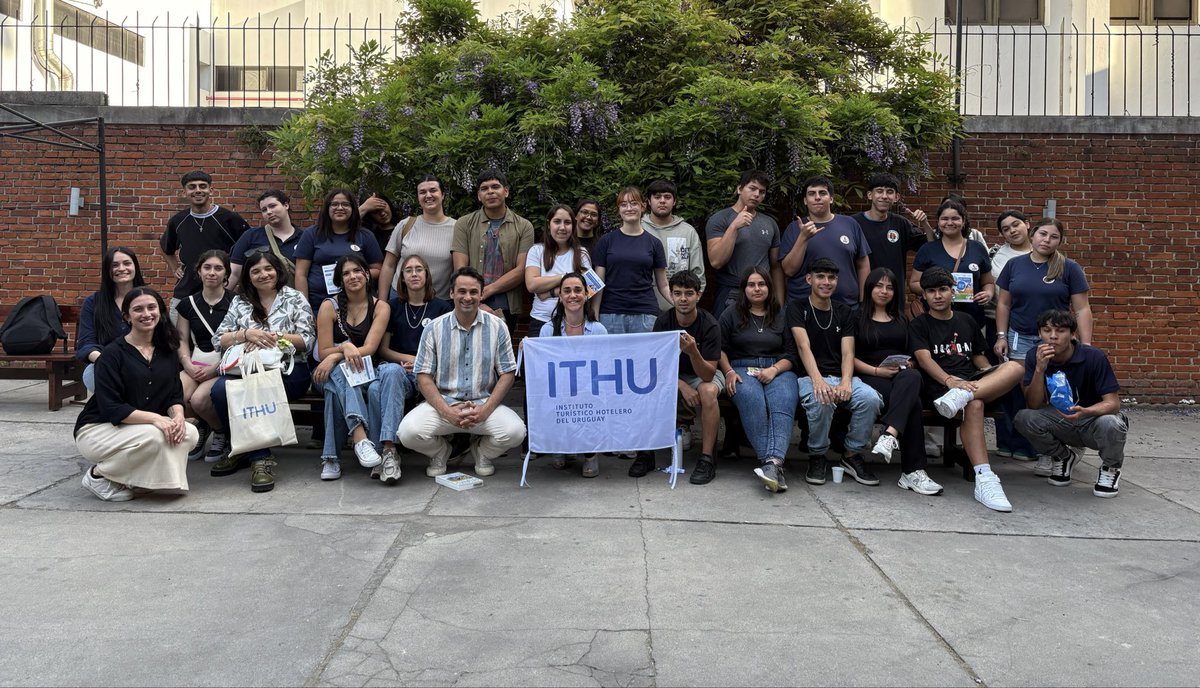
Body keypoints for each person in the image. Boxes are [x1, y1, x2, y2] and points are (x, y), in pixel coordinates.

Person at [910, 268, 1025, 512]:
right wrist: (950, 381)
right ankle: (985, 477)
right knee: (975, 404)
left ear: (953, 291)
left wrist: (990, 374)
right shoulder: (920, 324)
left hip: (971, 382)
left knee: (1014, 368)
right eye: (931, 291)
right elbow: (924, 360)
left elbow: (977, 357)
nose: (938, 296)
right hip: (940, 387)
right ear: (925, 296)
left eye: (943, 289)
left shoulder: (967, 320)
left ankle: (967, 394)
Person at [397, 267, 526, 478]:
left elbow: (507, 374)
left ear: (482, 294)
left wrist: (485, 410)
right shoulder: (434, 328)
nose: (468, 297)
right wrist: (447, 411)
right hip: (444, 404)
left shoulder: (497, 327)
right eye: (462, 291)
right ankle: (441, 452)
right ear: (451, 293)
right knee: (407, 433)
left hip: (482, 403)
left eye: (474, 292)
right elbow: (423, 376)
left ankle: (482, 453)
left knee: (516, 432)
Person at [75, 287, 198, 501]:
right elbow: (111, 408)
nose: (146, 314)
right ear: (127, 317)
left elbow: (174, 395)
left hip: (138, 427)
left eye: (152, 307)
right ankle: (98, 475)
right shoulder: (112, 355)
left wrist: (177, 416)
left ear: (161, 311)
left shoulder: (168, 350)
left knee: (188, 432)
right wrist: (157, 419)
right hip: (99, 428)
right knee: (155, 436)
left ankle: (138, 479)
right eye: (138, 309)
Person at [209, 251, 315, 493]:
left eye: (268, 269)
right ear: (248, 276)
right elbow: (218, 339)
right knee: (218, 390)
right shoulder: (240, 301)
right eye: (255, 271)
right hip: (246, 369)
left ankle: (257, 459)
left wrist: (270, 338)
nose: (263, 274)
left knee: (258, 387)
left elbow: (307, 341)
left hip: (290, 369)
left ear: (278, 271)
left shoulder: (295, 298)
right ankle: (252, 453)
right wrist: (245, 334)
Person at [788, 258, 884, 486]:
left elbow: (848, 353)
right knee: (822, 399)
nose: (826, 282)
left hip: (840, 375)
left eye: (831, 277)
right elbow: (803, 347)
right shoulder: (797, 308)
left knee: (869, 399)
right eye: (820, 277)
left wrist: (846, 383)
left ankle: (852, 455)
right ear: (809, 279)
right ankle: (817, 455)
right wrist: (818, 381)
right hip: (807, 376)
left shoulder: (844, 311)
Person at [1015, 309, 1126, 497]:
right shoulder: (1035, 355)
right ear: (1039, 333)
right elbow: (1033, 405)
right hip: (1060, 420)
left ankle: (1110, 468)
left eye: (1060, 331)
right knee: (1023, 418)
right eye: (1046, 330)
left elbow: (1113, 404)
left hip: (1092, 420)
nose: (1053, 337)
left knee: (1112, 423)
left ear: (1072, 334)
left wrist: (1086, 411)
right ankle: (1063, 457)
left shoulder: (1093, 357)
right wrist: (1040, 370)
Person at [852, 267, 943, 496]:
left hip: (900, 378)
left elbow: (914, 358)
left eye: (890, 287)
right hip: (868, 377)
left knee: (912, 376)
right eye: (879, 286)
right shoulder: (855, 317)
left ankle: (890, 434)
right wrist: (876, 370)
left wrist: (907, 365)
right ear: (869, 287)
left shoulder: (901, 319)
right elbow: (848, 357)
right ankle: (913, 471)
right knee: (911, 403)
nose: (884, 291)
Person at [312, 254, 393, 482]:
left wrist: (338, 353)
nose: (353, 276)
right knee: (337, 374)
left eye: (357, 271)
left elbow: (370, 347)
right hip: (327, 373)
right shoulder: (329, 306)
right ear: (340, 280)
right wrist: (342, 350)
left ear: (367, 275)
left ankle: (331, 458)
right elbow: (323, 350)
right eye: (346, 273)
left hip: (366, 372)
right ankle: (361, 438)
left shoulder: (380, 307)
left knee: (333, 390)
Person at [717, 266, 799, 493]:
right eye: (751, 285)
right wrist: (728, 372)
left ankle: (770, 466)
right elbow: (719, 349)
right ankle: (773, 464)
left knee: (782, 402)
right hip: (741, 368)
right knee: (753, 401)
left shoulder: (781, 314)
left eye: (761, 284)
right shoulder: (730, 314)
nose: (756, 289)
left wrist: (774, 369)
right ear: (744, 289)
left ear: (769, 288)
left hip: (778, 369)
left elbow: (792, 353)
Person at [374, 254, 453, 485]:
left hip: (429, 373)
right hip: (399, 371)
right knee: (390, 372)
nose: (414, 274)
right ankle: (389, 450)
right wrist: (409, 359)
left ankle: (438, 445)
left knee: (385, 384)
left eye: (419, 269)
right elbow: (384, 350)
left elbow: (446, 349)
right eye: (409, 270)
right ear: (402, 277)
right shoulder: (392, 307)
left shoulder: (441, 308)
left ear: (427, 275)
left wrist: (420, 363)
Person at [653, 272, 723, 485]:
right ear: (671, 296)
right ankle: (645, 453)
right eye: (678, 293)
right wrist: (681, 385)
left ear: (698, 295)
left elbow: (709, 374)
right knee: (644, 387)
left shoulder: (710, 324)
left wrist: (693, 352)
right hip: (671, 374)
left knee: (709, 391)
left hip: (701, 373)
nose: (683, 298)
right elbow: (657, 367)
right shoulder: (663, 322)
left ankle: (707, 458)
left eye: (688, 294)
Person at [538, 272, 608, 477]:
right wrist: (529, 350)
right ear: (560, 296)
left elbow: (605, 367)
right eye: (567, 291)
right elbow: (541, 370)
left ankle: (590, 453)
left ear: (586, 294)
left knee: (591, 401)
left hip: (590, 391)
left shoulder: (598, 330)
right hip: (559, 392)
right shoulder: (547, 330)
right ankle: (561, 446)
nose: (572, 295)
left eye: (578, 290)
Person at [451, 169, 535, 331]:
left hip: (506, 303)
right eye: (484, 188)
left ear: (506, 191)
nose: (490, 192)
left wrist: (485, 291)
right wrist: (478, 301)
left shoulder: (524, 226)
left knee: (502, 353)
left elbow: (521, 269)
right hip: (470, 301)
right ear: (478, 195)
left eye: (495, 186)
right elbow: (460, 269)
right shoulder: (464, 224)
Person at [160, 170, 250, 319]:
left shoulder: (229, 218)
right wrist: (174, 266)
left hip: (221, 292)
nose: (198, 190)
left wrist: (237, 278)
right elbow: (165, 247)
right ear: (184, 192)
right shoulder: (178, 221)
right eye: (192, 187)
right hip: (186, 291)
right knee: (178, 339)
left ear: (211, 190)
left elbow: (248, 248)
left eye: (202, 186)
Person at [174, 250, 234, 462]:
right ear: (198, 271)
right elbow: (181, 339)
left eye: (218, 268)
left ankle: (220, 432)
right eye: (207, 267)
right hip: (196, 362)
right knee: (176, 393)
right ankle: (203, 425)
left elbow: (238, 342)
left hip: (224, 364)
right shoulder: (187, 304)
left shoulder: (236, 303)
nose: (212, 273)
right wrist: (187, 364)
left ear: (226, 273)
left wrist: (215, 368)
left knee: (199, 400)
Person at [985, 210, 1036, 461]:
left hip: (1034, 328)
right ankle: (1006, 442)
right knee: (1005, 387)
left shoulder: (1043, 251)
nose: (1012, 230)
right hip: (1001, 326)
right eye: (1006, 228)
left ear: (1027, 224)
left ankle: (1030, 445)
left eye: (1016, 224)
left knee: (1031, 386)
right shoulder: (996, 255)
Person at [780, 175, 871, 308]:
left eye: (822, 193)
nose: (817, 197)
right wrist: (803, 238)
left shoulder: (850, 224)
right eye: (812, 194)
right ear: (805, 200)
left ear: (831, 198)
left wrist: (865, 302)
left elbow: (863, 264)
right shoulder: (794, 228)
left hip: (846, 306)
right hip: (803, 308)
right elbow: (788, 270)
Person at [591, 187, 671, 337]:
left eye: (633, 203)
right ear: (618, 210)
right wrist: (594, 314)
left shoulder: (654, 243)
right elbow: (598, 283)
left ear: (642, 206)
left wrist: (680, 303)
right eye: (623, 204)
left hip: (645, 314)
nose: (629, 208)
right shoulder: (606, 241)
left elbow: (663, 284)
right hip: (610, 314)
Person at [294, 188, 385, 315]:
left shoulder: (365, 235)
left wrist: (352, 273)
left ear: (353, 208)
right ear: (327, 208)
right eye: (334, 204)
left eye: (346, 204)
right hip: (317, 305)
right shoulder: (311, 234)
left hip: (357, 307)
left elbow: (378, 270)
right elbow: (300, 274)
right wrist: (305, 308)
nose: (340, 208)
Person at [705, 170, 785, 313]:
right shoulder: (720, 219)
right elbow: (716, 261)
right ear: (739, 189)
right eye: (752, 188)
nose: (756, 195)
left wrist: (779, 303)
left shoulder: (770, 223)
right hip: (731, 294)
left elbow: (776, 267)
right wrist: (734, 226)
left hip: (762, 294)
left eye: (762, 192)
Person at [852, 172, 934, 305]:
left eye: (889, 192)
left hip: (894, 298)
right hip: (863, 299)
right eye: (879, 191)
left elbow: (931, 247)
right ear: (869, 195)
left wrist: (925, 223)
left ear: (896, 197)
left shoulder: (901, 224)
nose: (884, 196)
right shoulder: (853, 223)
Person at [910, 198, 995, 325]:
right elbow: (913, 283)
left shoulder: (977, 248)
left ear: (964, 221)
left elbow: (988, 282)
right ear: (938, 222)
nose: (949, 223)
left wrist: (988, 293)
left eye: (955, 218)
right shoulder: (927, 249)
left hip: (972, 320)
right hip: (936, 320)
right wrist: (936, 290)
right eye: (944, 219)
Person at [77, 246, 146, 393]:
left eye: (127, 263)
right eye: (114, 265)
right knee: (91, 374)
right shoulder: (93, 303)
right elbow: (86, 343)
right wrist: (106, 361)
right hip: (107, 362)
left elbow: (162, 337)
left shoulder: (148, 299)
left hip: (143, 363)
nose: (121, 268)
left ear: (135, 267)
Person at [378, 175, 456, 301]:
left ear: (443, 195)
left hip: (439, 303)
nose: (428, 195)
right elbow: (388, 265)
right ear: (418, 198)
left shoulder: (457, 228)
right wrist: (381, 302)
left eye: (433, 190)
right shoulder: (406, 224)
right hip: (401, 299)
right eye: (422, 192)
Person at [525, 204, 591, 337]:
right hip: (541, 320)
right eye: (557, 222)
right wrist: (566, 277)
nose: (562, 227)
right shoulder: (537, 251)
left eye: (567, 222)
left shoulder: (581, 253)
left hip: (573, 323)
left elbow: (591, 288)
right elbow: (532, 285)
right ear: (549, 225)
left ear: (573, 226)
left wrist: (549, 293)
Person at [642, 179, 705, 311]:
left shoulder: (688, 232)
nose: (662, 201)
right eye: (657, 197)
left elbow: (698, 273)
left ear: (674, 201)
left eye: (667, 197)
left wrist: (689, 305)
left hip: (679, 310)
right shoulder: (639, 228)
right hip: (644, 309)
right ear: (649, 201)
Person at [229, 190, 302, 287]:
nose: (269, 212)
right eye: (264, 210)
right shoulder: (250, 236)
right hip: (258, 299)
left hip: (294, 299)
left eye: (272, 206)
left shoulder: (304, 237)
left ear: (286, 205)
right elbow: (234, 274)